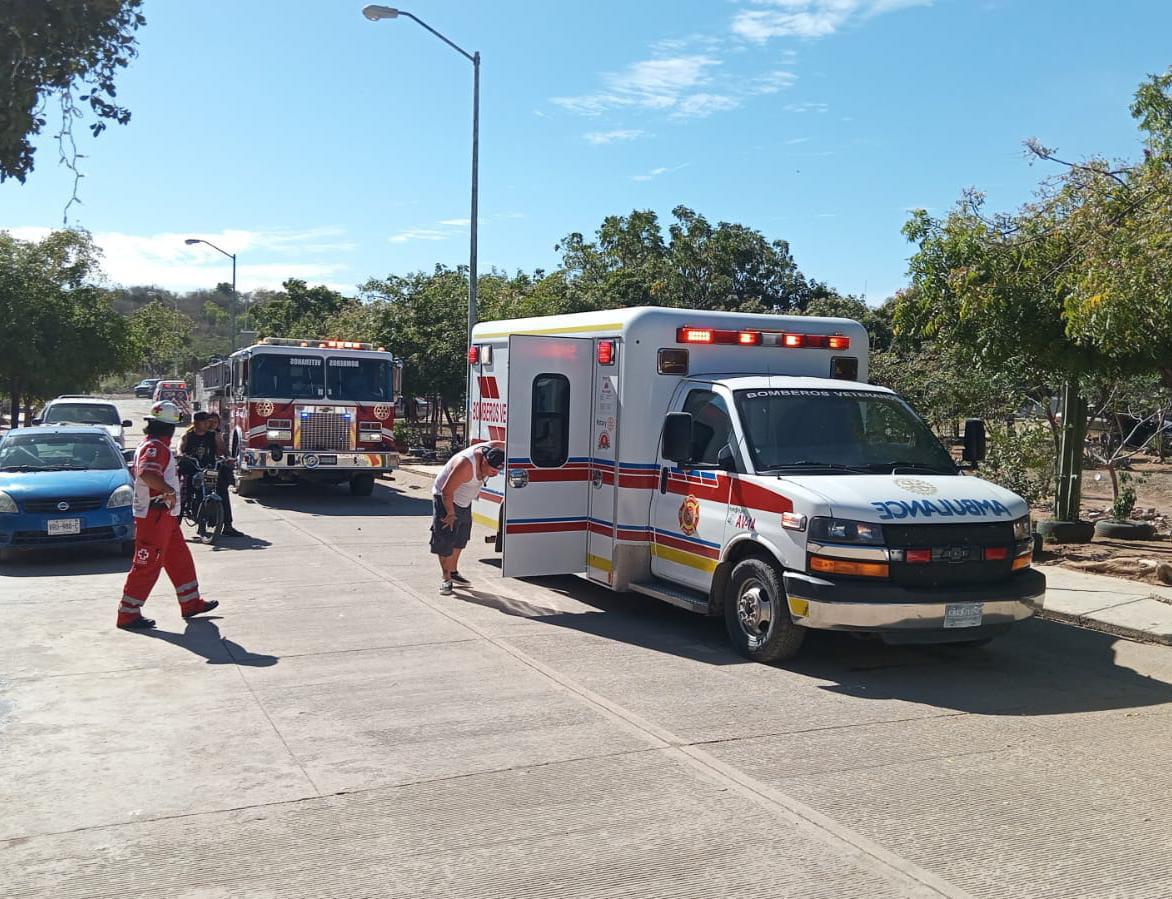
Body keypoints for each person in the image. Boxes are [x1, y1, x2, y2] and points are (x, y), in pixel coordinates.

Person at [116, 401, 219, 629]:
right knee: (147, 564)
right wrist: (169, 491)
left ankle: (191, 602)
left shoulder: (153, 444)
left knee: (179, 558)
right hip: (154, 516)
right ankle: (128, 613)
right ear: (170, 428)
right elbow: (147, 474)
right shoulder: (156, 448)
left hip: (164, 516)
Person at [430, 441, 505, 595]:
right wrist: (450, 513)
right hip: (447, 499)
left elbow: (501, 443)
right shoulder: (465, 465)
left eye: (498, 472)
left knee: (461, 538)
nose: (494, 474)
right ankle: (446, 579)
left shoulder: (490, 450)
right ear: (484, 461)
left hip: (465, 500)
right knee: (445, 539)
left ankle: (453, 571)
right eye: (492, 471)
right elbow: (446, 491)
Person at [180, 411, 242, 537]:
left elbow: (223, 448)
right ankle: (174, 527)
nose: (208, 424)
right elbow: (179, 447)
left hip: (209, 469)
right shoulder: (188, 435)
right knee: (183, 494)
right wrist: (180, 454)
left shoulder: (213, 435)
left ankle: (227, 525)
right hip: (192, 469)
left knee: (221, 491)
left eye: (209, 421)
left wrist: (227, 457)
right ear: (196, 422)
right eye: (205, 421)